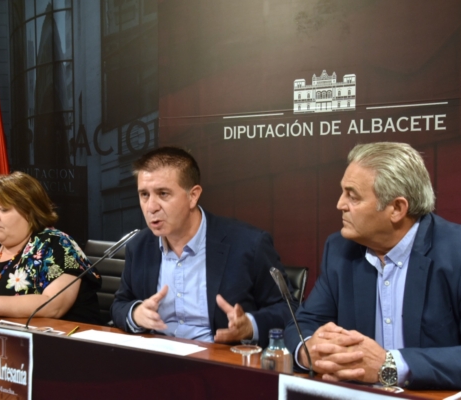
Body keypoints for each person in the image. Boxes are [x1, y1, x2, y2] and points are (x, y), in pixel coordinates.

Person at [284, 142, 461, 390]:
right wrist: (310, 350)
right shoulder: (339, 250)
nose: (340, 204)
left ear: (397, 208)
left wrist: (390, 365)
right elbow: (302, 323)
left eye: (352, 196)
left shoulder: (455, 252)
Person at [110, 146, 296, 347]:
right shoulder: (139, 246)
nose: (151, 207)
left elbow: (289, 311)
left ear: (193, 196)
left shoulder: (248, 244)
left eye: (163, 193)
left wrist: (250, 326)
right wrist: (136, 313)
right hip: (156, 359)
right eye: (144, 195)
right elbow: (120, 304)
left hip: (217, 360)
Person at [0, 171, 102, 324]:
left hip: (59, 340)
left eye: (4, 209)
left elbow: (53, 305)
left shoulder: (57, 244)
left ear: (30, 211)